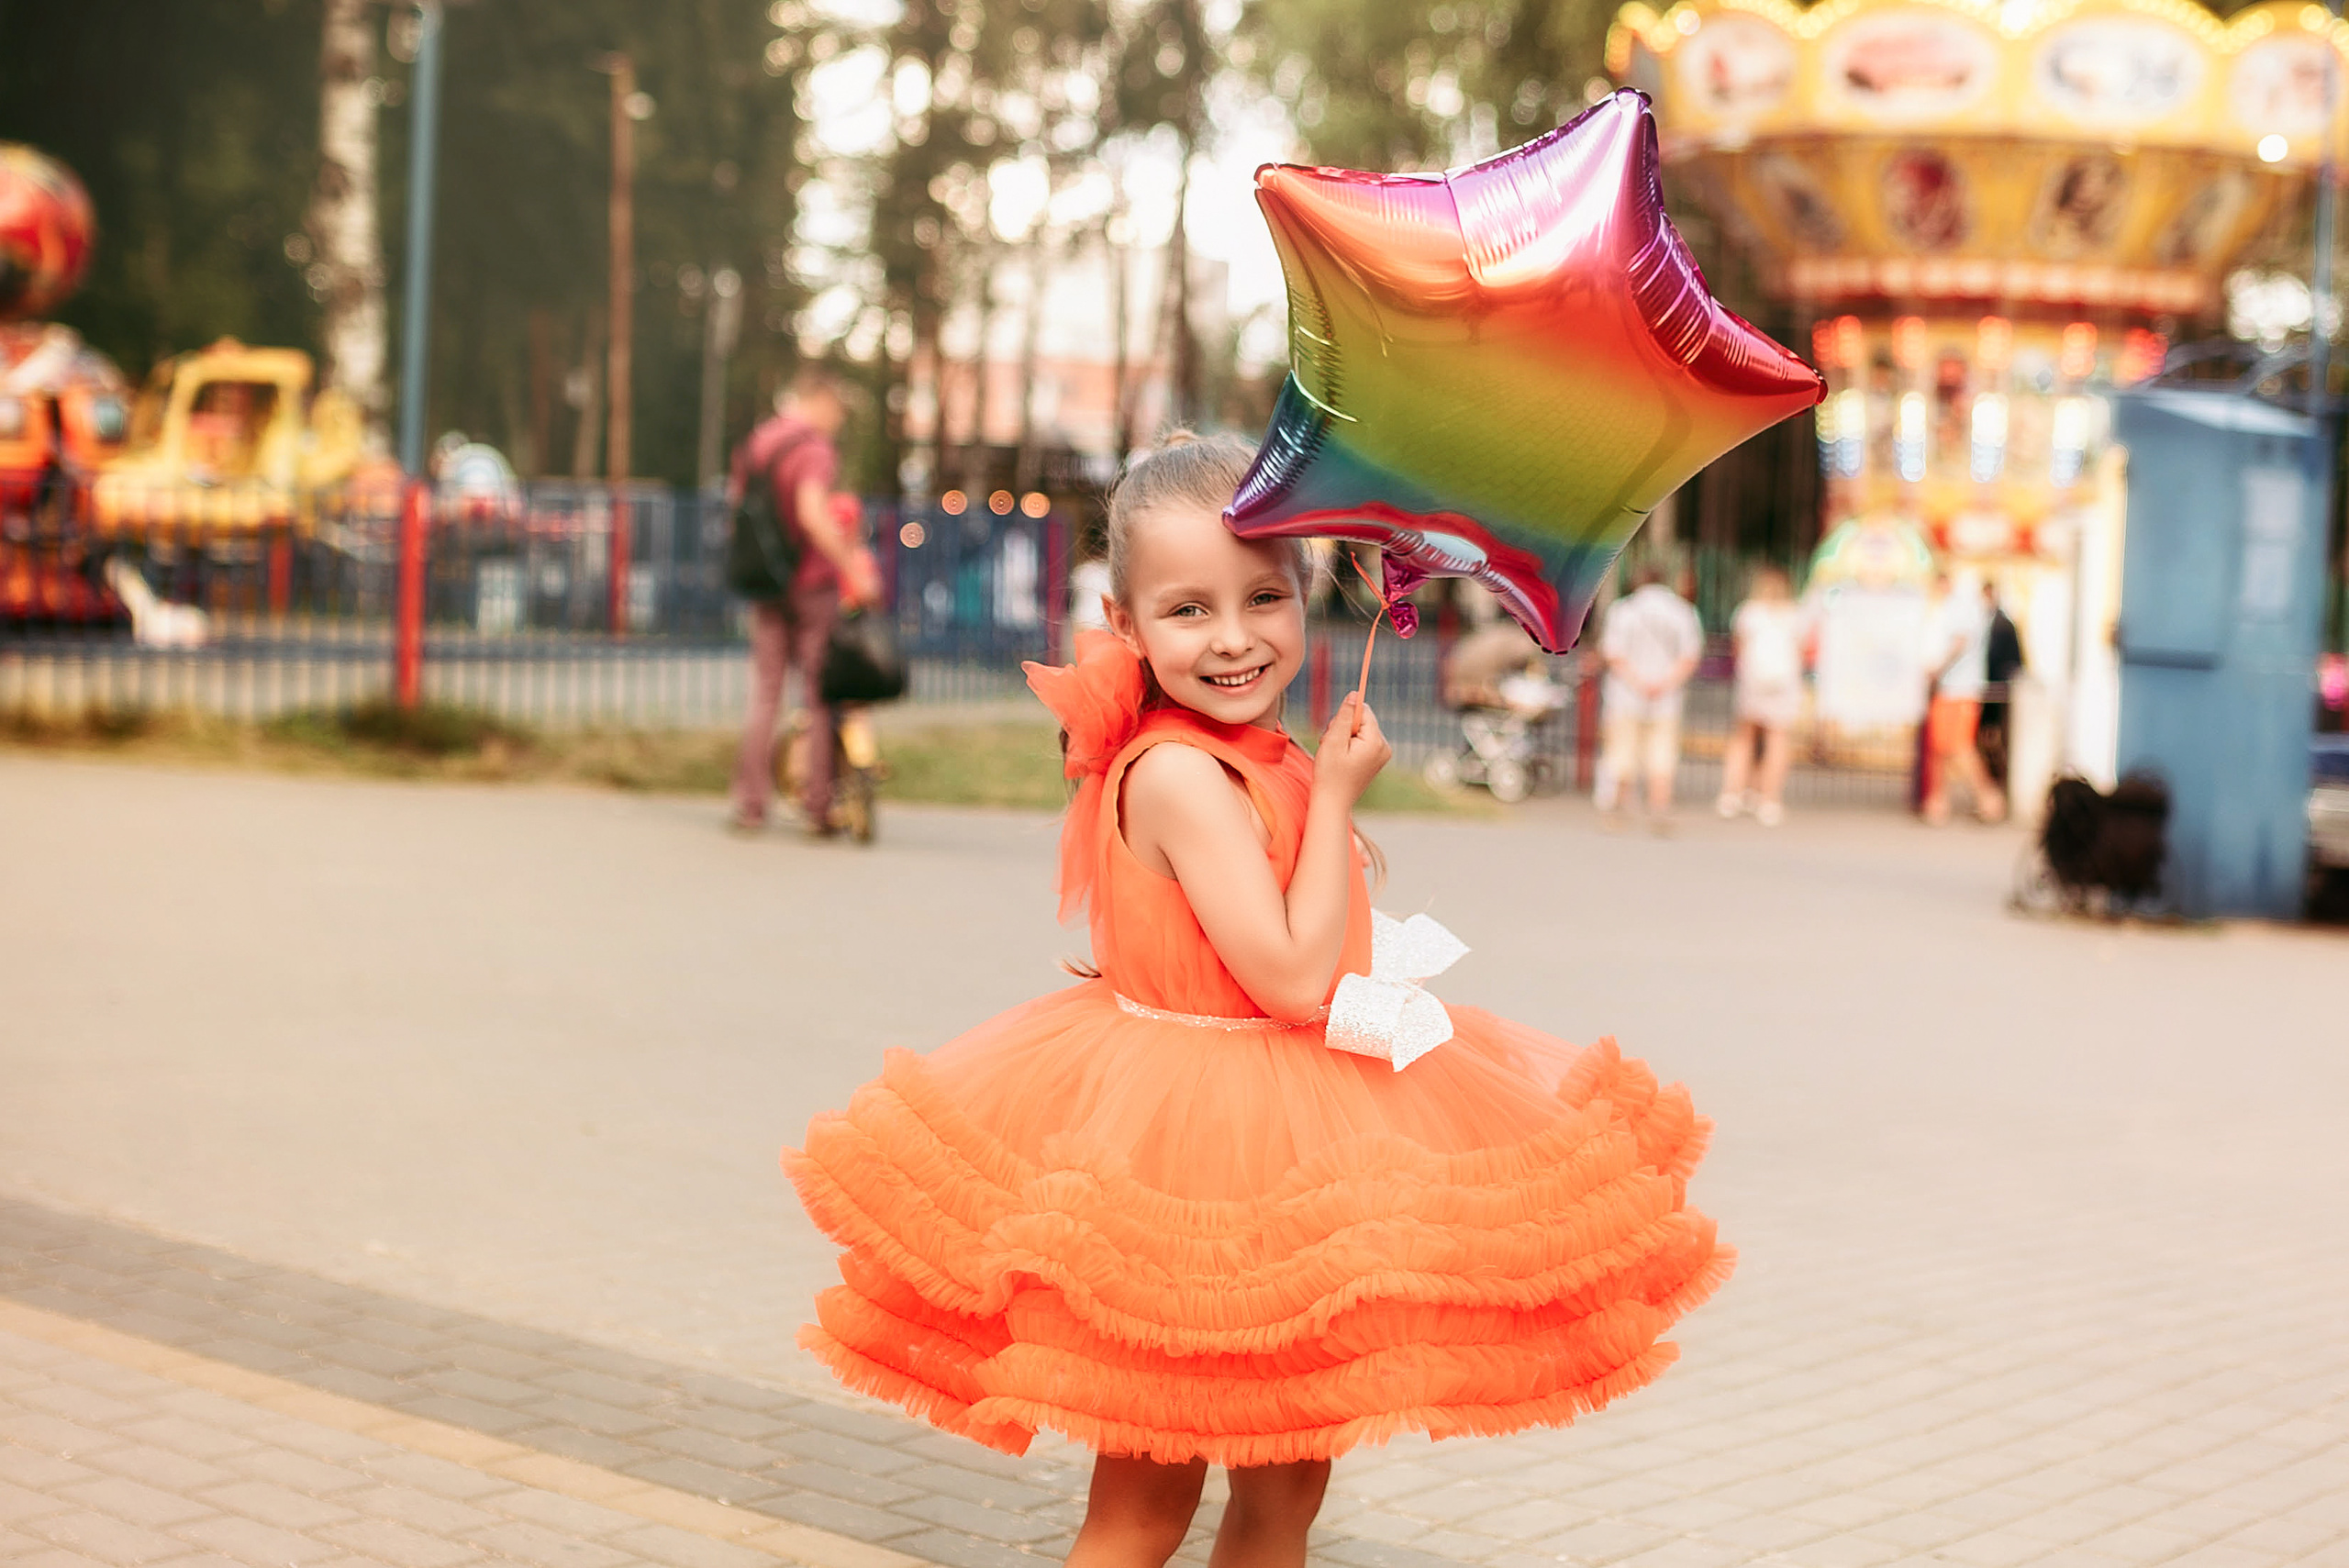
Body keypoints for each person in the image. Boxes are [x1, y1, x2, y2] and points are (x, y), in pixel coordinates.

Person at [785, 432, 1729, 1568]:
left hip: (1285, 1155)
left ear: (1305, 591)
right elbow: (1288, 976)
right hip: (1185, 1170)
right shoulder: (1182, 771)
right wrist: (1333, 796)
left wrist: (1313, 787)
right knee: (1142, 1506)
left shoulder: (1251, 748)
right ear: (1126, 625)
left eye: (1264, 597)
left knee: (1285, 1491)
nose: (1234, 637)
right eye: (1189, 609)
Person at [727, 366, 880, 834]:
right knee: (819, 693)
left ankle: (749, 804)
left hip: (765, 584)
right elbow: (812, 516)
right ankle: (818, 805)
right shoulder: (812, 449)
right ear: (819, 400)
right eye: (836, 409)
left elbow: (740, 509)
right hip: (811, 585)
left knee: (765, 693)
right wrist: (853, 566)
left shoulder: (756, 444)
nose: (837, 420)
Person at [1596, 563, 1705, 830]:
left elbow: (1613, 654)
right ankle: (1660, 806)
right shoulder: (1683, 611)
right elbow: (1690, 656)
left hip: (1625, 693)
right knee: (1662, 752)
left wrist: (1638, 682)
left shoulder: (1623, 610)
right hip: (1666, 696)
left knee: (1622, 750)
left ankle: (1621, 807)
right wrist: (1664, 683)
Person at [1717, 564, 1806, 826]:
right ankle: (1770, 800)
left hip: (1752, 683)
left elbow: (1739, 647)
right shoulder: (1794, 614)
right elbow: (1801, 650)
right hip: (1783, 685)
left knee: (1744, 737)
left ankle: (1732, 794)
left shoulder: (1749, 612)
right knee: (1778, 739)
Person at [1920, 571, 2007, 827]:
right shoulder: (1958, 608)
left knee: (1959, 747)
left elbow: (1959, 642)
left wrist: (1937, 668)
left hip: (1959, 688)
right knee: (1940, 748)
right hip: (1953, 688)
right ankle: (1938, 802)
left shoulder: (1960, 608)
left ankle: (1989, 800)